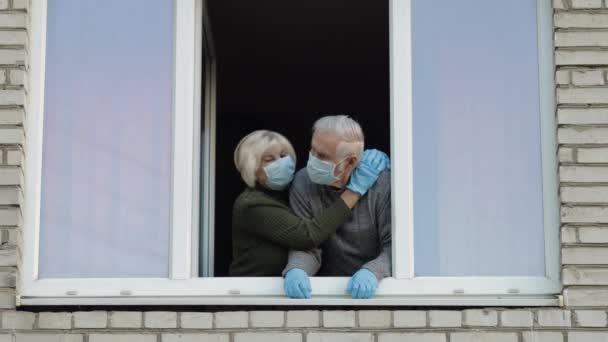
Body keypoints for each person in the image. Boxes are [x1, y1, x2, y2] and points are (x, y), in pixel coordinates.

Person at [230, 130, 389, 276]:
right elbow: (308, 236)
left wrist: (361, 162)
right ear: (252, 168)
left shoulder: (289, 191)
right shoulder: (252, 204)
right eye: (269, 160)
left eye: (284, 155)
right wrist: (355, 190)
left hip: (282, 297)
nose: (280, 163)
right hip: (251, 296)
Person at [283, 115, 391, 299]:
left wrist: (373, 271)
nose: (313, 160)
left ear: (350, 161)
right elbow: (308, 243)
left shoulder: (382, 184)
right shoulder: (303, 181)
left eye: (323, 156)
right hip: (328, 291)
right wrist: (297, 269)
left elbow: (394, 247)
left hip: (379, 292)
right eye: (312, 150)